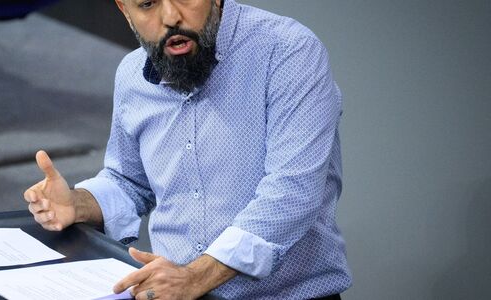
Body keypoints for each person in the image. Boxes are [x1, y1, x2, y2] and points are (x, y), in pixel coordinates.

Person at [23, 0, 352, 299]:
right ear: (125, 11)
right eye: (147, 4)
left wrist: (197, 276)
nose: (171, 17)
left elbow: (293, 191)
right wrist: (78, 203)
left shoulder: (287, 50)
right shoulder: (131, 74)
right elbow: (130, 182)